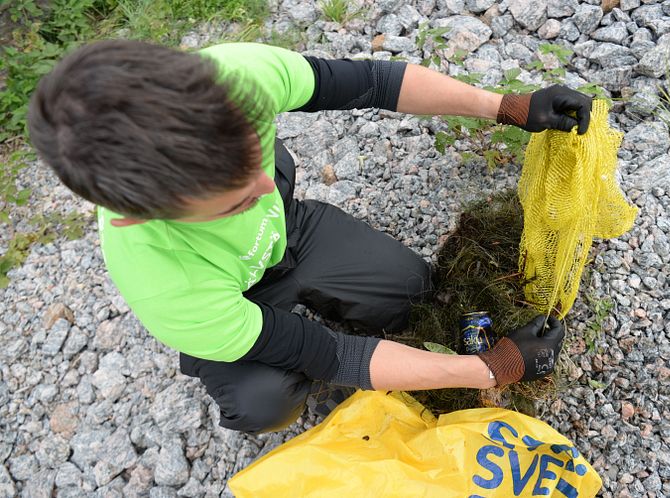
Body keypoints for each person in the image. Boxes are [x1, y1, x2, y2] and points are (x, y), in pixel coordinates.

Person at [27, 40, 590, 434]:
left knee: (414, 291)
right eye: (235, 200)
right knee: (264, 402)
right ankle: (250, 362)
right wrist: (490, 369)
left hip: (290, 235)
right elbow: (326, 352)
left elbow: (373, 82)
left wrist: (507, 107)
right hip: (234, 296)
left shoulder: (231, 77)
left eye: (255, 155)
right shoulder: (167, 285)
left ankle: (308, 273)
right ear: (138, 215)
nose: (261, 184)